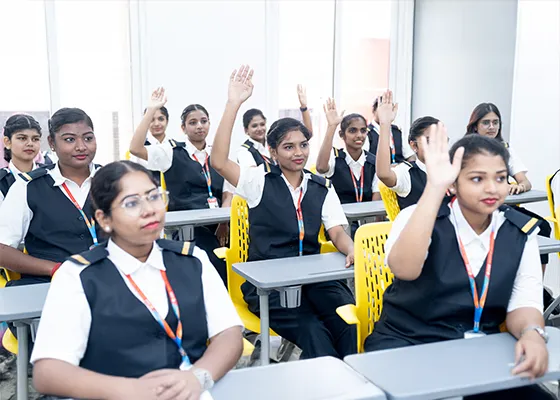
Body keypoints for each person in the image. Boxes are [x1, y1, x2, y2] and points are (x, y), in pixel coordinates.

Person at [364, 130, 553, 399]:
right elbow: (404, 269)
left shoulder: (520, 233)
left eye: (500, 178)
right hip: (407, 342)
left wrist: (532, 334)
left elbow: (524, 303)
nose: (492, 188)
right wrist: (434, 189)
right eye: (477, 178)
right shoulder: (416, 217)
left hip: (477, 347)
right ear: (453, 184)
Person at [31, 160, 243, 400]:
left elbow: (229, 334)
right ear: (104, 219)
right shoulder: (78, 276)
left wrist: (199, 376)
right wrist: (130, 391)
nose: (149, 209)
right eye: (131, 203)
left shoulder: (193, 259)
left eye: (153, 197)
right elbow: (48, 372)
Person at [211, 65, 356, 359]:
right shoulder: (258, 182)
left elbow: (337, 230)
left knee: (350, 327)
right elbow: (218, 161)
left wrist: (351, 248)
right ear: (273, 153)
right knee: (315, 335)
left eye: (303, 145)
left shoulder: (321, 186)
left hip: (316, 279)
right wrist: (233, 103)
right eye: (288, 147)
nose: (298, 152)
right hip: (271, 287)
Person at [129, 88, 232, 285]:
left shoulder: (218, 154)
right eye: (192, 123)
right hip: (189, 227)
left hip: (220, 224)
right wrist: (152, 109)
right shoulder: (171, 151)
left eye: (204, 121)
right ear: (183, 128)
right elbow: (135, 148)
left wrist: (223, 221)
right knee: (212, 259)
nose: (199, 126)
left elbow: (227, 193)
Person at [466, 102, 554, 312]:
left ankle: (536, 289)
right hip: (477, 211)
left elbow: (525, 181)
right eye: (486, 122)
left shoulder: (505, 149)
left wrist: (519, 186)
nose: (491, 127)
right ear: (475, 126)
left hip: (502, 207)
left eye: (495, 122)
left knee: (540, 227)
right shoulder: (467, 150)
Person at [0, 108, 100, 286]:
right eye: (69, 139)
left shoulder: (114, 181)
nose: (81, 146)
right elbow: (2, 250)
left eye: (88, 138)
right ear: (51, 143)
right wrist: (55, 269)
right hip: (48, 285)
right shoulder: (27, 186)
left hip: (107, 281)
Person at [315, 98, 381, 236]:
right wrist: (331, 126)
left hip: (366, 224)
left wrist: (373, 232)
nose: (359, 135)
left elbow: (376, 201)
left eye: (363, 131)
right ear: (342, 135)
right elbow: (321, 167)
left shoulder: (373, 162)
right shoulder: (336, 157)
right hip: (340, 225)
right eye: (352, 131)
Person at [375, 91, 438, 210]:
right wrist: (385, 124)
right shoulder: (407, 173)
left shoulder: (450, 170)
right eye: (430, 140)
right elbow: (383, 174)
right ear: (414, 146)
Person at [0, 114, 43, 207]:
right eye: (22, 138)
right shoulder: (2, 181)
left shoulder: (50, 175)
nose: (30, 143)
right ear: (7, 142)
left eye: (35, 139)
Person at [129, 90, 170, 183]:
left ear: (167, 121)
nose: (157, 123)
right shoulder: (140, 147)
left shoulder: (174, 147)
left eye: (161, 119)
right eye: (152, 120)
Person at [366, 96, 415, 164]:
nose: (386, 113)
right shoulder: (367, 133)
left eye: (390, 110)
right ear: (374, 111)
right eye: (383, 109)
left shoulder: (396, 131)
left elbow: (410, 156)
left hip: (398, 171)